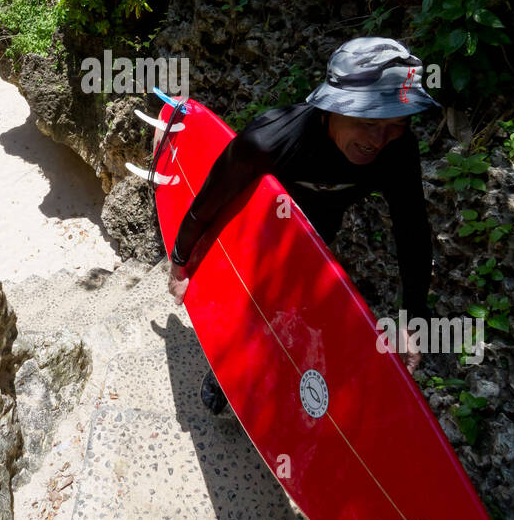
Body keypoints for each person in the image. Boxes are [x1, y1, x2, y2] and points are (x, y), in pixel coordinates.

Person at [167, 37, 438, 414]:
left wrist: (413, 318)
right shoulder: (270, 139)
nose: (378, 140)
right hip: (257, 227)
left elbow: (411, 229)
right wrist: (181, 259)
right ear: (332, 108)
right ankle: (223, 369)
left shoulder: (397, 149)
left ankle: (271, 368)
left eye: (394, 124)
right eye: (366, 122)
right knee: (250, 302)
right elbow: (212, 198)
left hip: (318, 233)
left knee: (289, 309)